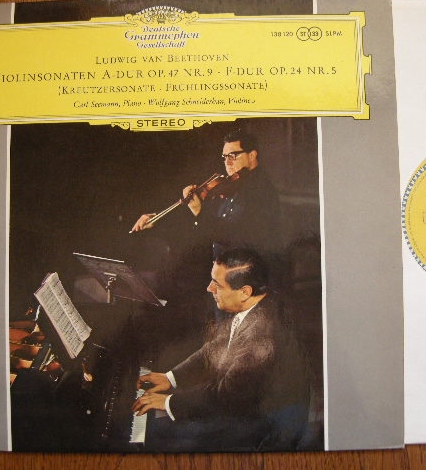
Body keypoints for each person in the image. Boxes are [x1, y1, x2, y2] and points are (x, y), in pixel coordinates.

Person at [130, 248, 309, 452]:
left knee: (157, 434)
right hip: (241, 407)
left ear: (245, 292)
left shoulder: (262, 332)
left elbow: (226, 397)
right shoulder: (253, 306)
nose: (209, 288)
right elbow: (214, 349)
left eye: (217, 284)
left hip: (261, 426)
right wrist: (170, 378)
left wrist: (169, 403)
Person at [130, 130, 281, 258]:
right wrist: (157, 219)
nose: (227, 163)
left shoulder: (261, 191)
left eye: (233, 156)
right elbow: (199, 220)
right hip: (222, 266)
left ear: (252, 155)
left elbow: (237, 236)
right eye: (225, 157)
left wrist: (199, 212)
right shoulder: (232, 186)